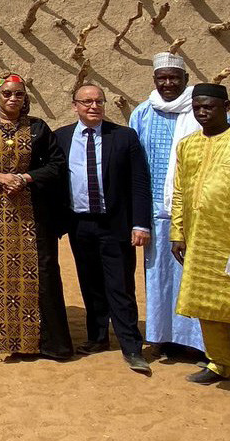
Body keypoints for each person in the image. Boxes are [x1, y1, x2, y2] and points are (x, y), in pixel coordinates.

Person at [0, 74, 73, 360]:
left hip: (34, 212)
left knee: (43, 270)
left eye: (19, 94)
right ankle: (10, 340)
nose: (13, 98)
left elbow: (56, 164)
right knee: (0, 272)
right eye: (7, 94)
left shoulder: (38, 127)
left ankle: (48, 344)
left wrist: (25, 178)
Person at [170, 82, 230, 385]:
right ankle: (219, 363)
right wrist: (177, 232)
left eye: (208, 107)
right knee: (206, 303)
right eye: (197, 107)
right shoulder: (187, 145)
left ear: (226, 108)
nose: (202, 112)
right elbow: (179, 191)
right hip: (200, 241)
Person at [56, 84, 152, 375]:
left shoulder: (123, 137)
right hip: (79, 224)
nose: (93, 106)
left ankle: (131, 346)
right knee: (90, 283)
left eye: (99, 101)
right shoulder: (61, 137)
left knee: (120, 285)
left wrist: (140, 223)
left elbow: (139, 182)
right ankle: (97, 337)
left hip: (115, 224)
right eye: (87, 102)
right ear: (75, 105)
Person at [128, 53, 204, 359]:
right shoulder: (142, 114)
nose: (168, 83)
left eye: (175, 78)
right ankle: (164, 336)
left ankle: (198, 341)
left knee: (195, 275)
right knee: (159, 277)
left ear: (186, 80)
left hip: (197, 211)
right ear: (155, 80)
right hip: (156, 212)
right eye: (163, 78)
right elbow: (135, 165)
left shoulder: (203, 109)